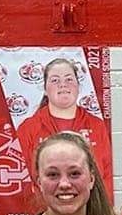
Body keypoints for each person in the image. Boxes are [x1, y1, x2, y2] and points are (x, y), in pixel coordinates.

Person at [15, 57, 114, 191]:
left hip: (91, 208)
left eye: (69, 79)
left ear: (78, 87)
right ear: (44, 89)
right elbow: (27, 180)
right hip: (47, 208)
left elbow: (107, 175)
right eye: (55, 80)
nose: (63, 85)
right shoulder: (28, 128)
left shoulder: (97, 125)